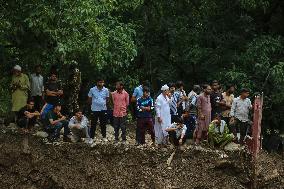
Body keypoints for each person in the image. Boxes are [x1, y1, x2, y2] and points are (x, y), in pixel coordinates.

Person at [88, 78, 109, 142]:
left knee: (103, 124)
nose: (101, 83)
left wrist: (103, 104)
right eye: (100, 82)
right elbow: (89, 99)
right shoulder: (92, 89)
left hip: (103, 109)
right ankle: (91, 138)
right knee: (93, 124)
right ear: (97, 83)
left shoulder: (106, 90)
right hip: (94, 109)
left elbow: (107, 99)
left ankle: (104, 137)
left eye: (102, 82)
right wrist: (93, 104)